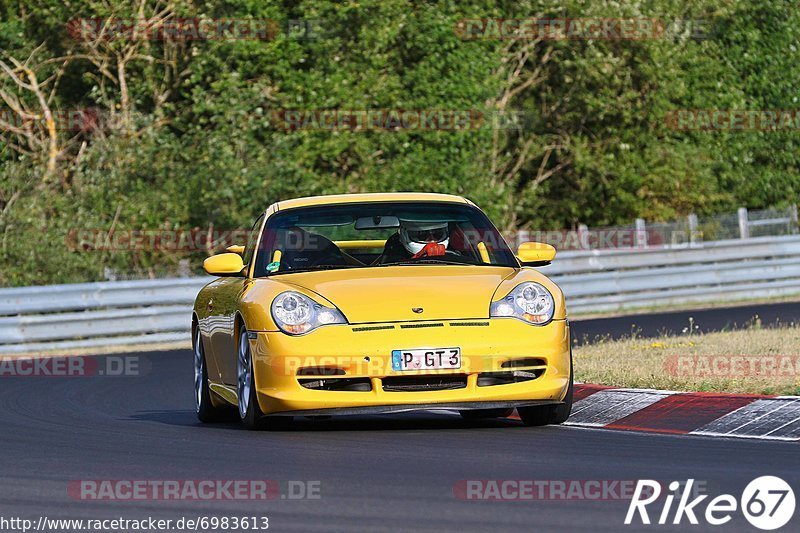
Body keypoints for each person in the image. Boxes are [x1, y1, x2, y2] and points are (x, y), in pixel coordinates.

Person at [375, 220, 450, 263]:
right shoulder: (393, 256)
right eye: (422, 235)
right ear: (404, 235)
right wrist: (417, 258)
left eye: (438, 234)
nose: (432, 240)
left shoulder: (457, 260)